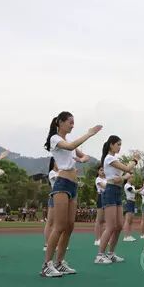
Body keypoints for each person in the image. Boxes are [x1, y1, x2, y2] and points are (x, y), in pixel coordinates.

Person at [42, 111, 102, 277]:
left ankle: (59, 263)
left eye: (73, 122)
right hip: (62, 183)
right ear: (60, 122)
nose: (72, 125)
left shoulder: (69, 142)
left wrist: (82, 159)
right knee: (59, 226)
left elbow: (84, 156)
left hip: (73, 185)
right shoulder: (55, 139)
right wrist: (89, 134)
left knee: (69, 226)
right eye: (70, 122)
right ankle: (47, 265)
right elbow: (70, 147)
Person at [95, 135, 138, 264]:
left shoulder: (114, 159)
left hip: (117, 192)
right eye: (118, 144)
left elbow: (124, 175)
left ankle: (111, 253)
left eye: (120, 145)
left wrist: (123, 177)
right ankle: (99, 255)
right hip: (110, 191)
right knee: (110, 226)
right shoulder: (109, 158)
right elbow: (127, 169)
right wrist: (135, 160)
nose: (119, 147)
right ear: (111, 145)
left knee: (119, 226)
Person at [122, 177, 140, 242]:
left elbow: (136, 191)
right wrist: (143, 188)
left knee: (131, 220)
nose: (133, 178)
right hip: (129, 202)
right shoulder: (127, 185)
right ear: (128, 178)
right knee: (127, 220)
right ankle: (126, 236)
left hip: (132, 202)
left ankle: (129, 235)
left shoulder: (132, 186)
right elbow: (134, 191)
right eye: (131, 177)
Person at [94, 167, 107, 246]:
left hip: (107, 198)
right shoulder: (98, 179)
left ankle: (102, 238)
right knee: (99, 220)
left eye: (104, 170)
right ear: (98, 171)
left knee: (103, 220)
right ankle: (97, 239)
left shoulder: (106, 179)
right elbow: (105, 186)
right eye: (101, 170)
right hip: (101, 197)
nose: (102, 171)